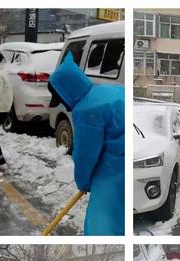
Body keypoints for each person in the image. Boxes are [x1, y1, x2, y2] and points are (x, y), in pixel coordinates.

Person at [47, 53, 124, 235]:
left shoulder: (86, 109)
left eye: (61, 99)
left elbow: (86, 154)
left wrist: (84, 182)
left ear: (67, 92)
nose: (64, 105)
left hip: (115, 168)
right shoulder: (109, 90)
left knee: (103, 225)